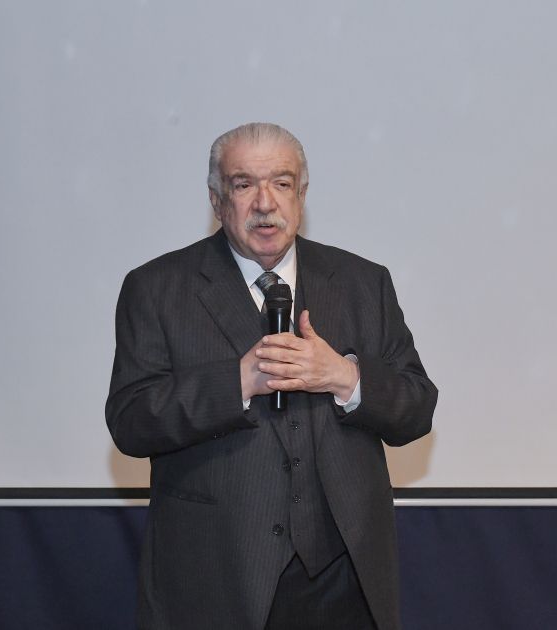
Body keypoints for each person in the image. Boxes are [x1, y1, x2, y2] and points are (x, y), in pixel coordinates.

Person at [105, 122, 437, 630]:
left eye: (282, 183)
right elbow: (131, 422)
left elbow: (416, 407)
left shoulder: (363, 283)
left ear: (301, 195)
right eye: (244, 184)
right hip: (217, 576)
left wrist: (345, 377)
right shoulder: (156, 288)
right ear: (217, 201)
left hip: (343, 577)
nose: (265, 203)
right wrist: (236, 382)